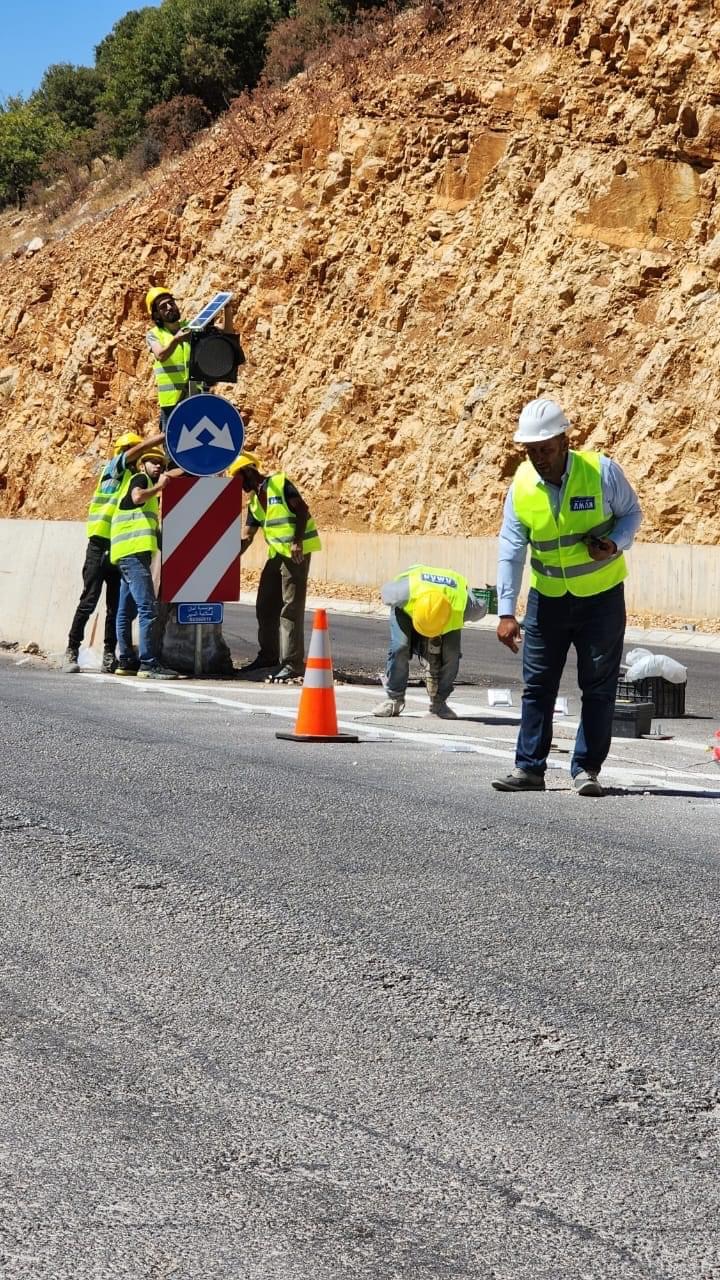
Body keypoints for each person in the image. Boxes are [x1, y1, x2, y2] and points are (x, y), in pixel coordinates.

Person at [492, 397, 642, 796]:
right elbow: (511, 549)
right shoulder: (522, 485)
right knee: (537, 686)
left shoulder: (601, 471)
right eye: (532, 450)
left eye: (545, 449)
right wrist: (506, 611)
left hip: (601, 599)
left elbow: (632, 514)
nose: (539, 458)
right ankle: (529, 769)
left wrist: (614, 543)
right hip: (547, 601)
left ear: (564, 441)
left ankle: (586, 769)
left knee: (598, 687)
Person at [226, 451, 321, 682]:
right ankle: (268, 656)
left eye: (237, 479)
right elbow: (247, 536)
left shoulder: (279, 483)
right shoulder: (254, 504)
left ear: (248, 471)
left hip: (295, 554)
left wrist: (297, 542)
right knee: (265, 604)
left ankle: (292, 663)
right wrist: (228, 559)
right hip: (277, 554)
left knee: (291, 607)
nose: (238, 486)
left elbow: (302, 509)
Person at [63, 430, 151, 674]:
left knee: (114, 605)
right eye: (129, 450)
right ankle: (72, 648)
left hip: (118, 547)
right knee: (89, 600)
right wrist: (156, 439)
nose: (133, 454)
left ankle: (109, 653)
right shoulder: (112, 470)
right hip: (98, 545)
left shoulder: (136, 478)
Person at [373, 566, 487, 718]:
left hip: (447, 617)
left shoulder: (465, 606)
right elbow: (385, 594)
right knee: (400, 647)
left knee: (451, 654)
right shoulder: (401, 593)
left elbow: (483, 608)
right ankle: (394, 699)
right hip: (407, 612)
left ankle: (439, 702)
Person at [111, 444, 179, 680]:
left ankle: (126, 661)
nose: (157, 465)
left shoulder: (146, 481)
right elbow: (138, 496)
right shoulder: (141, 480)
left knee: (125, 611)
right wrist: (160, 487)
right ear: (143, 465)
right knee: (148, 608)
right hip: (133, 553)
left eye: (160, 463)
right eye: (152, 461)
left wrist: (191, 467)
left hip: (126, 553)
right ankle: (148, 663)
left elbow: (170, 475)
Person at [145, 286, 203, 428]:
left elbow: (225, 331)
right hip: (171, 402)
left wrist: (227, 309)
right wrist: (176, 340)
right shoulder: (153, 334)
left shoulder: (190, 327)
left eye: (171, 303)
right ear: (156, 314)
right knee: (173, 440)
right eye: (163, 307)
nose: (169, 307)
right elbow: (160, 355)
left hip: (195, 394)